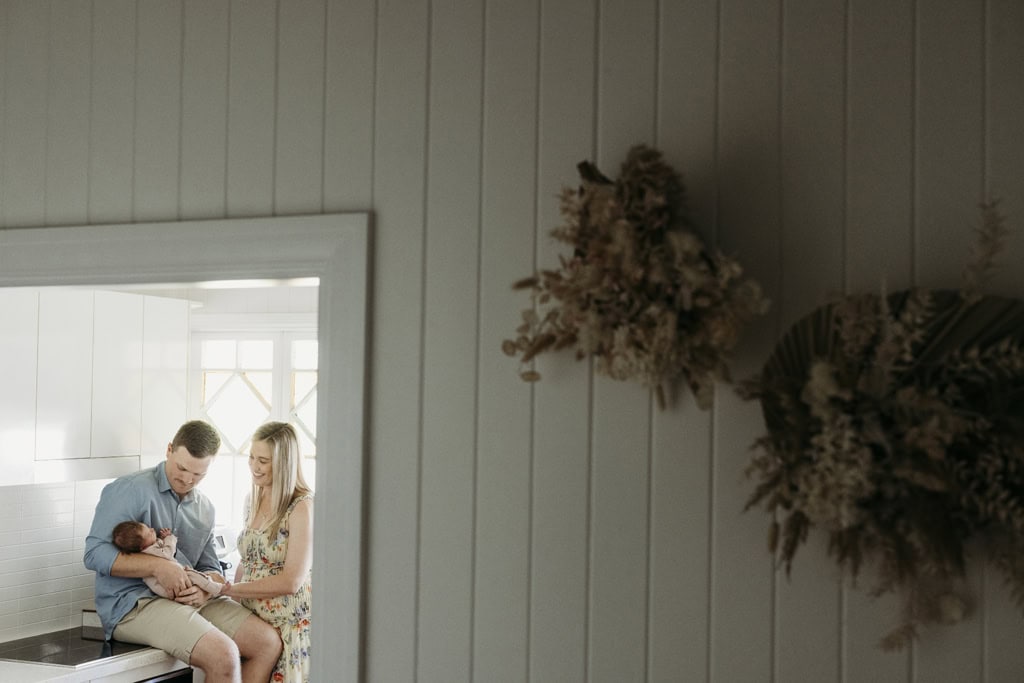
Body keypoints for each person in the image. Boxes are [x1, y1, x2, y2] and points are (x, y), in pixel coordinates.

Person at [84, 420, 282, 683]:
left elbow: (210, 565)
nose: (187, 480)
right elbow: (94, 554)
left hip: (192, 601)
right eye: (182, 468)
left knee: (267, 643)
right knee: (224, 655)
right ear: (169, 450)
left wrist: (204, 588)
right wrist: (158, 566)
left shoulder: (205, 508)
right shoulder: (130, 490)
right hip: (135, 604)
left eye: (198, 475)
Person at [219, 421, 313, 683]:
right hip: (254, 624)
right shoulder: (253, 499)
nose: (254, 466)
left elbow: (291, 581)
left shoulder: (302, 507)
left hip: (288, 630)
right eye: (251, 457)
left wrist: (229, 590)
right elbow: (248, 561)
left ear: (284, 463)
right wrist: (230, 603)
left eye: (263, 460)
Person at [111, 521, 228, 598]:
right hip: (169, 587)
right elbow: (168, 553)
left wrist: (161, 539)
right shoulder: (150, 552)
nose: (152, 529)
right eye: (149, 532)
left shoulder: (145, 551)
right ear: (142, 546)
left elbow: (159, 548)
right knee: (195, 575)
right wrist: (169, 538)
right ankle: (216, 588)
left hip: (165, 590)